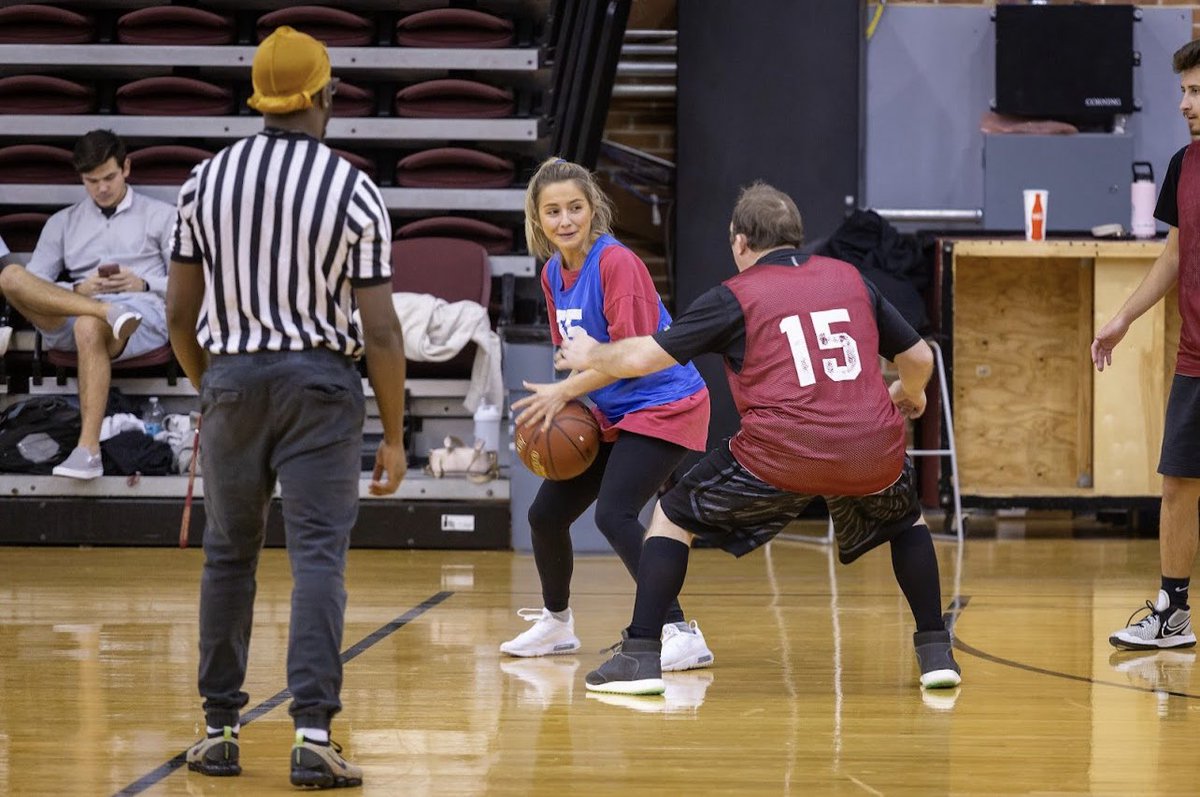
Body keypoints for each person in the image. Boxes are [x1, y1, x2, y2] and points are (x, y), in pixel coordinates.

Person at [556, 182, 961, 696]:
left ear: (740, 242)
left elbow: (639, 359)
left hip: (782, 452)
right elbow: (920, 357)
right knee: (906, 519)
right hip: (869, 445)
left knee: (673, 515)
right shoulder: (850, 277)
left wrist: (592, 352)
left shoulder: (735, 295)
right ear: (796, 237)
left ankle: (640, 654)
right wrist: (911, 392)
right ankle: (934, 650)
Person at [167, 26, 407, 789]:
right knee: (317, 563)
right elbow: (381, 329)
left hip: (231, 379)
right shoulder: (352, 189)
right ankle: (311, 734)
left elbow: (178, 314)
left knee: (228, 557)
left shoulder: (202, 182)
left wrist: (213, 380)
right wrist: (395, 435)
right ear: (323, 95)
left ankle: (217, 730)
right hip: (321, 388)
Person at [502, 157, 715, 673]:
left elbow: (628, 356)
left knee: (613, 513)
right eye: (553, 211)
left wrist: (561, 394)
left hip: (666, 403)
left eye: (575, 207)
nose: (566, 219)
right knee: (545, 515)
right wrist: (549, 421)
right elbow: (571, 355)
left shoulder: (616, 263)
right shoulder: (553, 272)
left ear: (592, 208)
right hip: (616, 411)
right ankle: (556, 624)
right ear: (538, 218)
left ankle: (679, 631)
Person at [1094, 39, 1200, 652]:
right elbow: (1177, 252)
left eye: (1196, 91)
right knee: (1178, 483)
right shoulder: (1184, 165)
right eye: (1183, 91)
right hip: (1196, 357)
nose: (1184, 104)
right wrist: (1124, 317)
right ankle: (1174, 614)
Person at [0, 129, 172, 479]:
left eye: (109, 177)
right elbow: (35, 284)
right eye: (91, 181)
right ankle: (103, 310)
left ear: (127, 167)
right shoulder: (63, 222)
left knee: (87, 326)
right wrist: (78, 289)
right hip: (79, 308)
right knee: (10, 277)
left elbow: (192, 286)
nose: (102, 188)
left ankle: (88, 450)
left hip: (140, 312)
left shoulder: (161, 216)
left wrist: (144, 282)